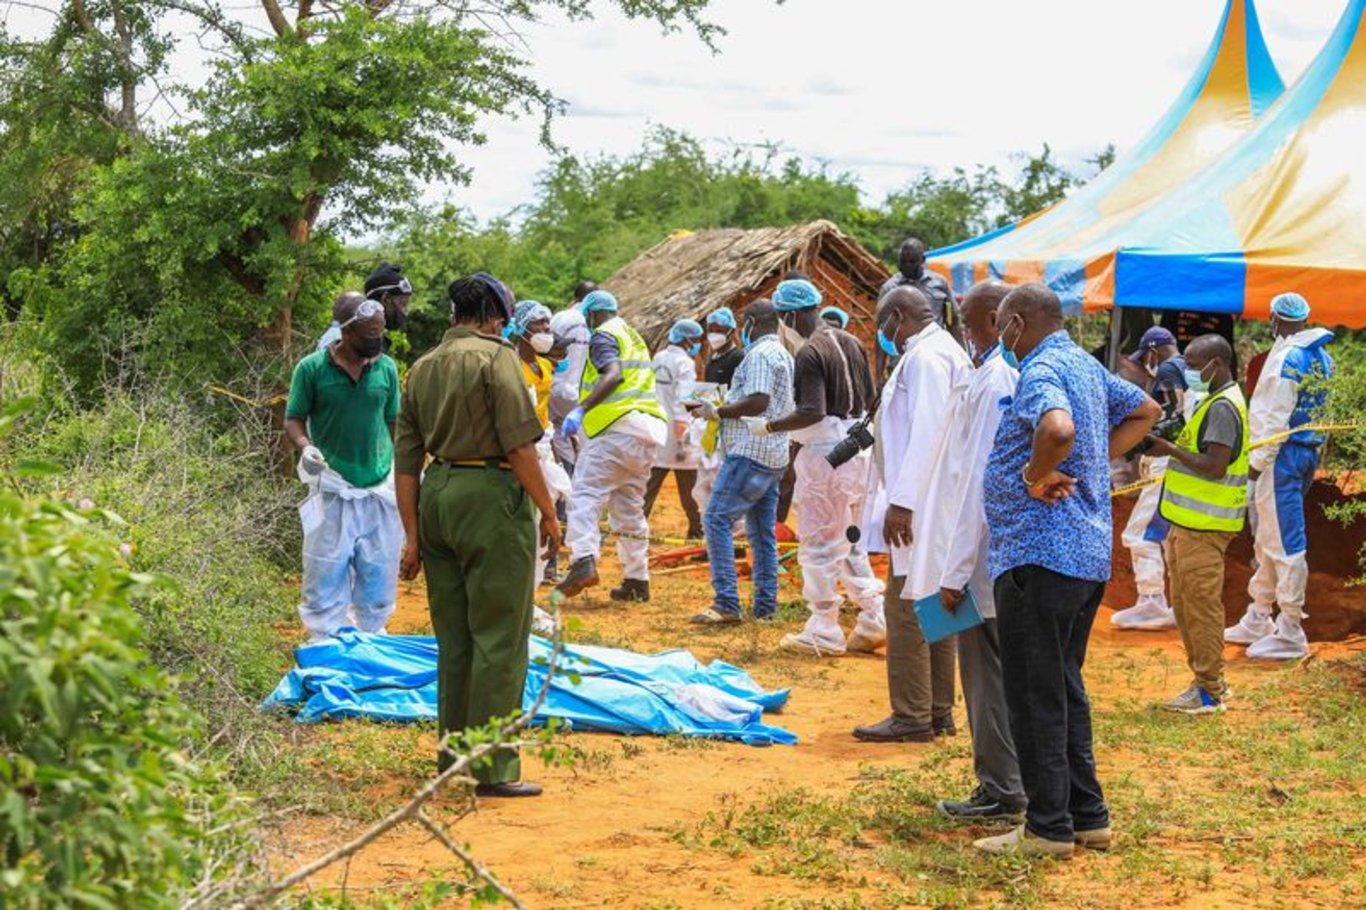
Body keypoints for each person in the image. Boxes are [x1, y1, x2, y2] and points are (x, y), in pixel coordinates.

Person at [973, 284, 1159, 857]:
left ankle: (1047, 827)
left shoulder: (1043, 368)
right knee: (1064, 688)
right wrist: (1089, 462)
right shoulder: (1085, 363)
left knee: (1034, 695)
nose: (1000, 335)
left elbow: (1056, 429)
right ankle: (1087, 816)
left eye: (1002, 323)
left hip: (1039, 556)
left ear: (1017, 323)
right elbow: (1146, 410)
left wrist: (1036, 473)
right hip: (1082, 557)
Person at [394, 273, 560, 797]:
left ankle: (452, 757)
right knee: (500, 637)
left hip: (436, 493)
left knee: (455, 636)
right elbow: (519, 446)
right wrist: (549, 513)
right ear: (495, 315)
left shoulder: (421, 367)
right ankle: (492, 767)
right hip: (491, 496)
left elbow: (404, 463)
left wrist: (413, 538)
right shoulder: (498, 359)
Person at [917, 281, 1027, 822]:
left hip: (980, 563)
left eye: (967, 316)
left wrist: (956, 570)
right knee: (983, 679)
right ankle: (1000, 782)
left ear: (994, 321)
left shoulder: (996, 381)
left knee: (987, 681)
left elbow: (980, 484)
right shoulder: (983, 375)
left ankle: (1005, 790)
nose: (960, 326)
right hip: (972, 556)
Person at [854, 285, 972, 742]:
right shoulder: (948, 351)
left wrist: (902, 501)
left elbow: (927, 431)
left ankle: (911, 715)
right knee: (936, 601)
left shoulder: (925, 359)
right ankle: (938, 709)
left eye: (883, 322)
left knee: (905, 607)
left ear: (898, 317)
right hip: (940, 499)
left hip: (922, 501)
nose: (882, 333)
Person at [761, 278, 884, 655]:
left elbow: (811, 410)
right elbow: (867, 401)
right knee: (850, 540)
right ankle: (874, 617)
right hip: (858, 452)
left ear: (791, 314)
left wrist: (770, 425)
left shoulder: (809, 352)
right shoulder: (850, 342)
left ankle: (824, 629)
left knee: (816, 544)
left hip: (827, 460)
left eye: (782, 318)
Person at [285, 292, 403, 642]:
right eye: (369, 335)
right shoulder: (312, 369)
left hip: (379, 488)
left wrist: (403, 465)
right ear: (345, 331)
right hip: (332, 487)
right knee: (325, 567)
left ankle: (372, 637)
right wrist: (305, 447)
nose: (376, 341)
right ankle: (323, 641)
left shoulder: (386, 369)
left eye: (380, 333)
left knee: (379, 568)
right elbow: (294, 419)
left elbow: (393, 421)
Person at [1142, 335, 1249, 714]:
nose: (1187, 369)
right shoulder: (1215, 401)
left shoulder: (1222, 407)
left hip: (1203, 527)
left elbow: (1214, 466)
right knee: (1187, 604)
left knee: (1200, 606)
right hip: (1188, 523)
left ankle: (1209, 690)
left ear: (1216, 364)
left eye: (1193, 362)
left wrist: (1169, 449)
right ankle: (1207, 680)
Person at [1226, 292, 1335, 660]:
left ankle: (1290, 627)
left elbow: (1274, 419)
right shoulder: (1323, 357)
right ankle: (1259, 614)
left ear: (1274, 318)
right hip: (1303, 454)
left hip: (1280, 458)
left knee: (1286, 541)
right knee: (1270, 536)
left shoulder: (1288, 357)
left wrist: (1256, 470)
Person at [557, 290, 669, 602]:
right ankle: (637, 579)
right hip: (646, 434)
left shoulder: (603, 336)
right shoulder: (632, 335)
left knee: (584, 495)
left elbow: (614, 375)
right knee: (629, 506)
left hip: (614, 430)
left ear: (591, 315)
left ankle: (582, 560)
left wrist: (582, 409)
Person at [689, 300, 795, 625]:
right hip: (774, 453)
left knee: (716, 519)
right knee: (762, 532)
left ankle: (726, 603)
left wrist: (718, 411)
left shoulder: (761, 355)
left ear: (749, 323)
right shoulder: (783, 354)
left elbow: (759, 401)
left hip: (751, 452)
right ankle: (765, 605)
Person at [1112, 327, 1188, 631]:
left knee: (1139, 533)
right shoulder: (1189, 370)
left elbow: (1173, 419)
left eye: (1145, 360)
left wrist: (1140, 439)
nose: (1145, 367)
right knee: (1167, 536)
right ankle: (1172, 603)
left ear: (1153, 353)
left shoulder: (1170, 369)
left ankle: (1152, 600)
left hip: (1166, 464)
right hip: (1180, 464)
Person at [511, 300, 573, 585]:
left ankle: (540, 576)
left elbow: (544, 415)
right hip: (519, 450)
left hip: (543, 448)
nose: (547, 329)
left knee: (547, 515)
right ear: (522, 327)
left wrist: (553, 455)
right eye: (539, 323)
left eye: (548, 323)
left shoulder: (546, 367)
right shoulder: (511, 366)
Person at [644, 318, 705, 539]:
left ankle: (635, 527)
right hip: (678, 432)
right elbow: (685, 399)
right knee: (691, 486)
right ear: (688, 340)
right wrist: (701, 413)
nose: (698, 344)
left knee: (650, 482)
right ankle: (697, 531)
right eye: (697, 339)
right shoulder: (685, 364)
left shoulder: (659, 358)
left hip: (657, 427)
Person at [693, 307, 746, 519]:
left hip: (730, 427)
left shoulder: (738, 358)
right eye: (710, 329)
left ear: (731, 331)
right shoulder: (712, 358)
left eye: (719, 329)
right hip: (711, 427)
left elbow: (740, 393)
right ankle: (712, 534)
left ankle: (733, 536)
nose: (713, 334)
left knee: (727, 482)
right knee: (707, 482)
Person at [879, 238, 963, 341]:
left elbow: (953, 321)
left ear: (922, 260)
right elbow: (881, 329)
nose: (907, 265)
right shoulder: (889, 288)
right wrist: (879, 357)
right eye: (903, 261)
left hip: (935, 349)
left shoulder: (939, 283)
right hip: (903, 353)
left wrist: (961, 352)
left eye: (912, 261)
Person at [363, 263, 414, 351]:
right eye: (403, 303)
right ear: (386, 298)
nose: (406, 311)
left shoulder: (376, 341)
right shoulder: (364, 344)